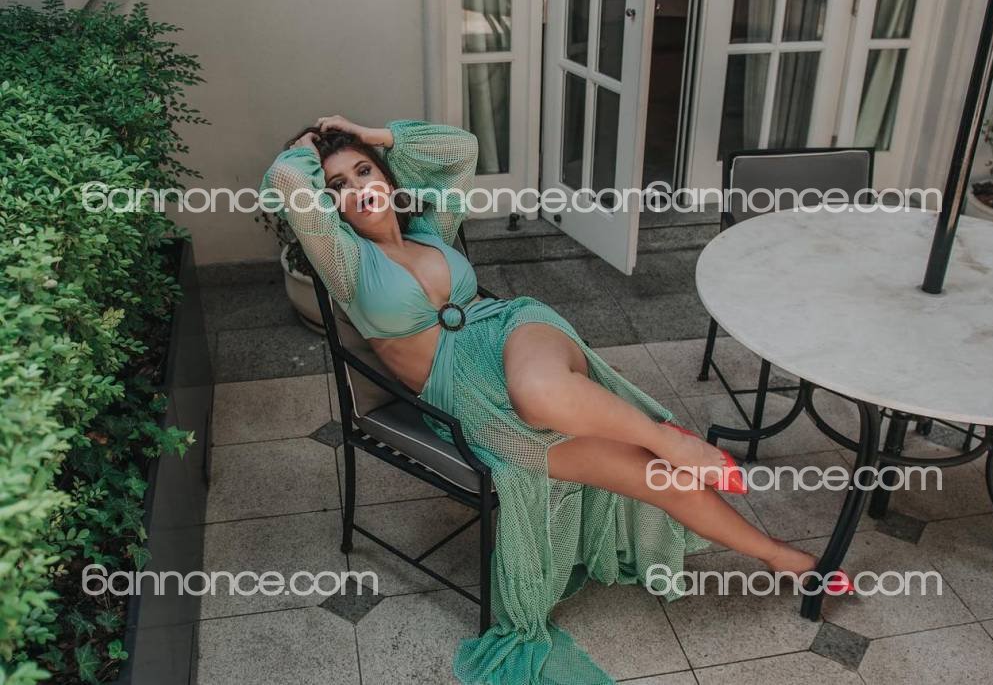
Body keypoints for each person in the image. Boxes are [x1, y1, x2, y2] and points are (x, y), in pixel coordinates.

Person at [261, 116, 846, 685]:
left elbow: (461, 150)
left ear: (387, 177)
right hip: (471, 402)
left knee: (539, 392)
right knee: (653, 477)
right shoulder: (345, 263)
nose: (359, 188)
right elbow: (289, 181)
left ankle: (671, 441)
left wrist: (370, 134)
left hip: (518, 332)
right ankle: (781, 557)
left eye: (365, 171)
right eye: (339, 185)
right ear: (329, 204)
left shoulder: (430, 229)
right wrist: (312, 142)